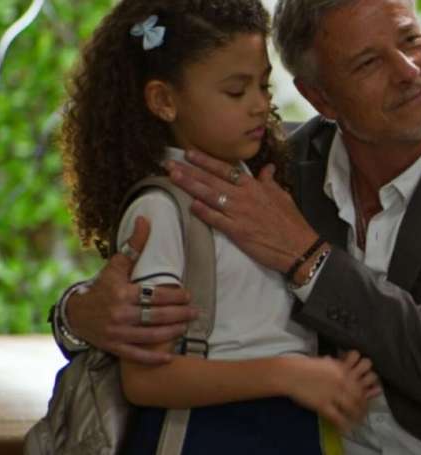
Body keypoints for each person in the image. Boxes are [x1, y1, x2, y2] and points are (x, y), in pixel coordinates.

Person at [53, 0, 421, 453]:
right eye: (369, 62)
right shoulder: (270, 170)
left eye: (411, 40)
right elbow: (158, 289)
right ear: (320, 97)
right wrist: (79, 314)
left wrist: (309, 258)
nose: (408, 70)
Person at [56, 0, 381, 453]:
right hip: (209, 435)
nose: (261, 106)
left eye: (263, 86)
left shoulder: (264, 184)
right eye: (235, 91)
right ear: (164, 101)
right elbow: (147, 380)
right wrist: (290, 373)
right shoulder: (161, 211)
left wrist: (332, 374)